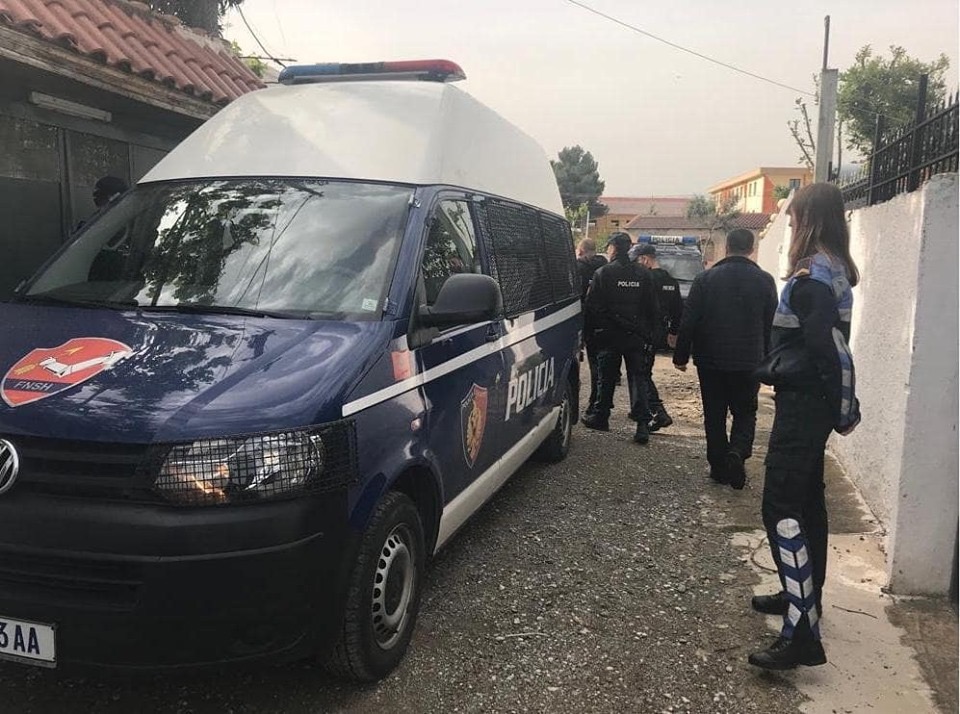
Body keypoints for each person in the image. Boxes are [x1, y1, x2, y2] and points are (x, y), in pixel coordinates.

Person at [747, 183, 861, 670]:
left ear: (809, 219)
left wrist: (844, 408)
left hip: (803, 406)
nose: (790, 223)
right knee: (809, 503)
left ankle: (801, 631)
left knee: (781, 508)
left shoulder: (812, 274)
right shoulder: (832, 266)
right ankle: (804, 596)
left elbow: (829, 349)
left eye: (794, 217)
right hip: (810, 405)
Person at [672, 229, 778, 487]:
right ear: (751, 249)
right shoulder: (765, 281)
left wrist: (681, 355)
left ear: (727, 247)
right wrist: (771, 360)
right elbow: (772, 324)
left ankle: (719, 467)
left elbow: (689, 320)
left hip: (711, 360)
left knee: (714, 413)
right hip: (750, 360)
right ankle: (738, 452)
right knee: (745, 411)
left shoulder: (705, 279)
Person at [582, 232, 659, 444]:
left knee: (606, 378)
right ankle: (642, 425)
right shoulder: (643, 274)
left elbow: (592, 307)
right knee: (638, 378)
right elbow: (653, 308)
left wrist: (588, 335)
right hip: (636, 336)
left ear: (613, 248)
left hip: (609, 335)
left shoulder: (603, 273)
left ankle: (601, 416)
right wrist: (650, 335)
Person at [629, 242, 683, 432]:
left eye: (636, 261)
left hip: (644, 331)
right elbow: (678, 311)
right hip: (660, 331)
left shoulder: (645, 279)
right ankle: (647, 410)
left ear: (644, 259)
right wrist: (673, 333)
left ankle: (657, 412)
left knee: (641, 374)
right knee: (645, 371)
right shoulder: (671, 281)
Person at [576, 238, 607, 415]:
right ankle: (597, 401)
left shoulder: (578, 268)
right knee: (600, 366)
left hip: (584, 321)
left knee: (588, 364)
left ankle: (592, 403)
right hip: (604, 323)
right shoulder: (605, 268)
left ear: (581, 251)